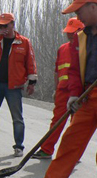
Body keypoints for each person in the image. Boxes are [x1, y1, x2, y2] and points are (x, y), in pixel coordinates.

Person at [27, 0, 97, 178]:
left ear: (93, 6)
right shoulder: (80, 36)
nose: (77, 15)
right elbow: (74, 69)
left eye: (79, 10)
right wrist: (74, 94)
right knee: (69, 142)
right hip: (87, 97)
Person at [0, 13, 37, 157]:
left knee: (17, 118)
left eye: (5, 25)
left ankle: (18, 147)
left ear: (12, 24)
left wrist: (32, 82)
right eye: (0, 26)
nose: (3, 28)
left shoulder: (23, 42)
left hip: (13, 87)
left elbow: (30, 62)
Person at [32, 17, 84, 159]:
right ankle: (46, 150)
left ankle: (74, 154)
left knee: (76, 124)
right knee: (57, 121)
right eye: (68, 32)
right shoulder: (63, 49)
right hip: (63, 91)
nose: (69, 35)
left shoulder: (87, 48)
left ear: (81, 31)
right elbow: (57, 71)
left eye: (72, 32)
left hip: (80, 92)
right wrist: (56, 89)